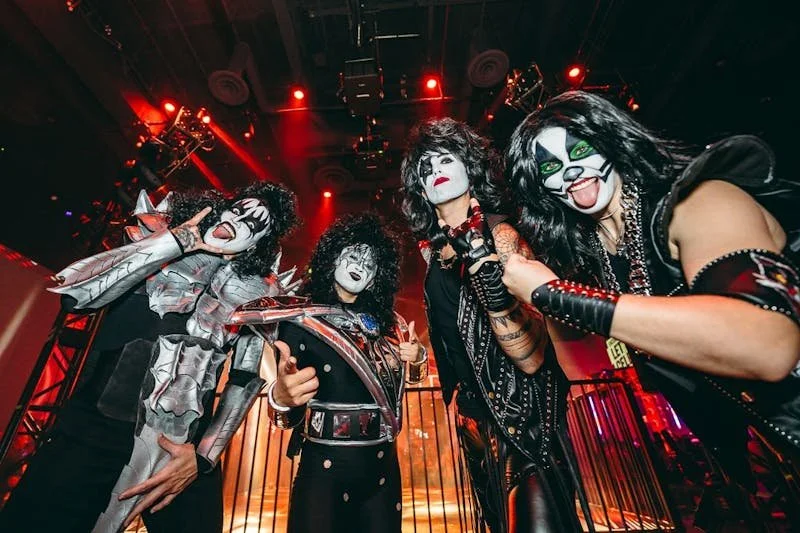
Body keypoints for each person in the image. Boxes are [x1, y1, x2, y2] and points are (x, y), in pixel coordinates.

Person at [503, 90, 800, 498]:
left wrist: (554, 295)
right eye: (551, 166)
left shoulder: (699, 201)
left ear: (612, 141)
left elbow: (769, 346)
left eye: (582, 148)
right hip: (762, 471)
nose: (570, 170)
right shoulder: (604, 252)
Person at [0, 182, 299, 533]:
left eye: (255, 224)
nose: (240, 220)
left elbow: (244, 379)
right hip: (95, 431)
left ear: (258, 244)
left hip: (181, 449)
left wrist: (203, 457)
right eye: (239, 209)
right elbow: (76, 295)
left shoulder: (256, 293)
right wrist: (173, 243)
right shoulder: (156, 241)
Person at [399, 117, 584, 532]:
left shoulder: (499, 233)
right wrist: (419, 359)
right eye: (424, 168)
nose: (436, 170)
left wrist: (491, 284)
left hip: (525, 414)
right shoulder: (435, 252)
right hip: (475, 418)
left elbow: (533, 357)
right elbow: (458, 335)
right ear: (420, 189)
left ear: (469, 166)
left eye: (445, 159)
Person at [230, 213, 427, 533]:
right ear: (333, 258)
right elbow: (285, 415)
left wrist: (418, 359)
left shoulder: (391, 326)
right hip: (323, 469)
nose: (360, 264)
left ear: (377, 277)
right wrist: (280, 398)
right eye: (352, 254)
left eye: (370, 263)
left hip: (382, 469)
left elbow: (402, 390)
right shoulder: (300, 319)